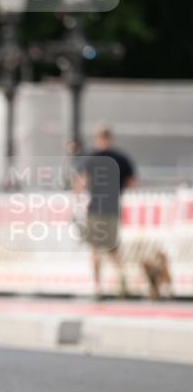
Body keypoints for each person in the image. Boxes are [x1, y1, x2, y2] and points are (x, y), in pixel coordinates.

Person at [75, 125, 136, 299]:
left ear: (97, 138)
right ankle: (122, 285)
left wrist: (78, 200)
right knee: (113, 248)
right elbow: (132, 181)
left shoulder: (91, 159)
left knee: (95, 249)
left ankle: (98, 288)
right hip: (112, 208)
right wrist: (118, 187)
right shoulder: (121, 158)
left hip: (95, 208)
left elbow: (80, 182)